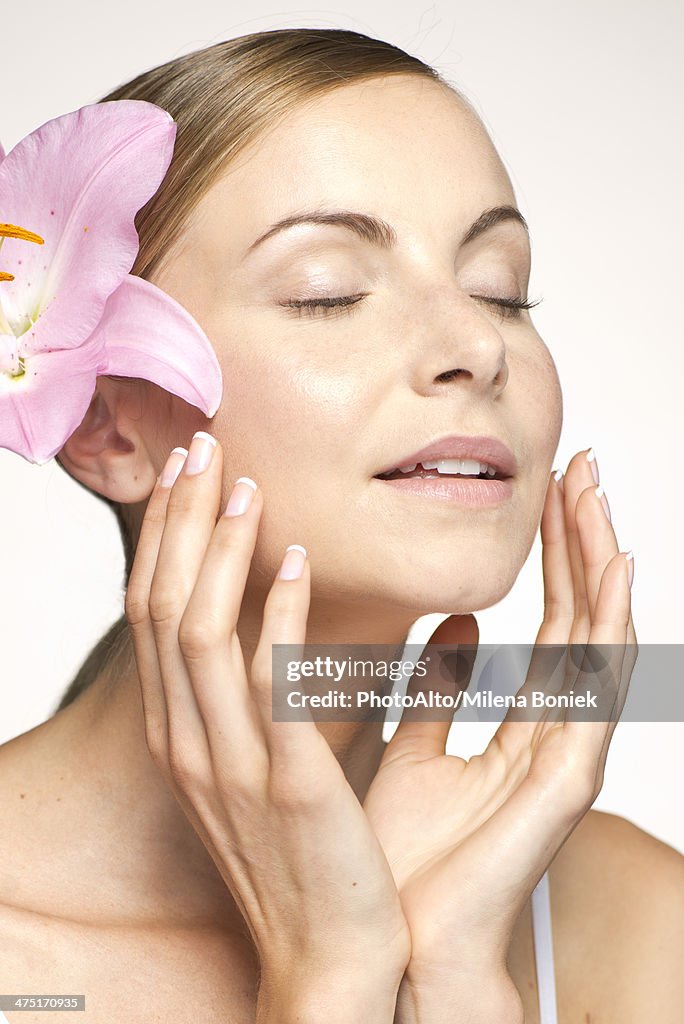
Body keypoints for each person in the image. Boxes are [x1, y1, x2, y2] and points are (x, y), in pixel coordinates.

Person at [0, 28, 682, 1024]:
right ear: (108, 422)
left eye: (501, 287)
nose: (477, 344)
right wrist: (330, 990)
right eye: (330, 292)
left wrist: (454, 987)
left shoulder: (637, 928)